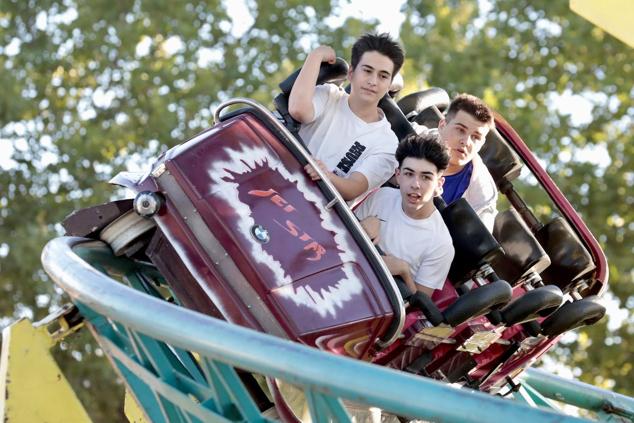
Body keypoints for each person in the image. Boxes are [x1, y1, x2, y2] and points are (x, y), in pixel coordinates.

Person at [288, 33, 405, 202]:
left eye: (383, 76)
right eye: (367, 71)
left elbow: (353, 188)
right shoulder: (329, 95)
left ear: (389, 84)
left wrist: (326, 175)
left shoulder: (387, 143)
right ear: (351, 73)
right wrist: (316, 55)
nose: (373, 81)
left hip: (318, 213)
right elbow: (298, 110)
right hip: (280, 180)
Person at [355, 133, 454, 297]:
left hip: (379, 302)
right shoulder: (382, 196)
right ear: (398, 176)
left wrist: (404, 271)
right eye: (409, 174)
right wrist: (362, 225)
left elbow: (419, 307)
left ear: (439, 184)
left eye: (426, 177)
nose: (415, 184)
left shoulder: (441, 244)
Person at [415, 93, 498, 231]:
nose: (466, 142)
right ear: (442, 125)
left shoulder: (482, 194)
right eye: (460, 130)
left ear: (482, 143)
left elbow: (474, 246)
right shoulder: (413, 136)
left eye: (476, 137)